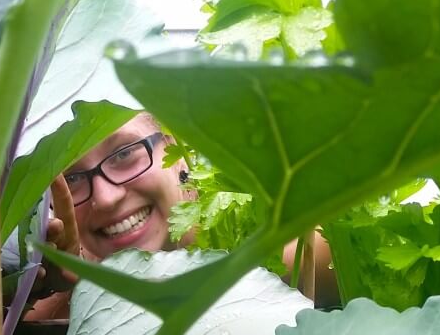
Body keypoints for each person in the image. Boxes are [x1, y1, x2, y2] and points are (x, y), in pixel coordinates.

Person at [27, 111, 337, 319]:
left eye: (124, 153)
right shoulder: (66, 297)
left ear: (176, 150)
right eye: (72, 177)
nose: (107, 199)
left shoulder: (266, 250)